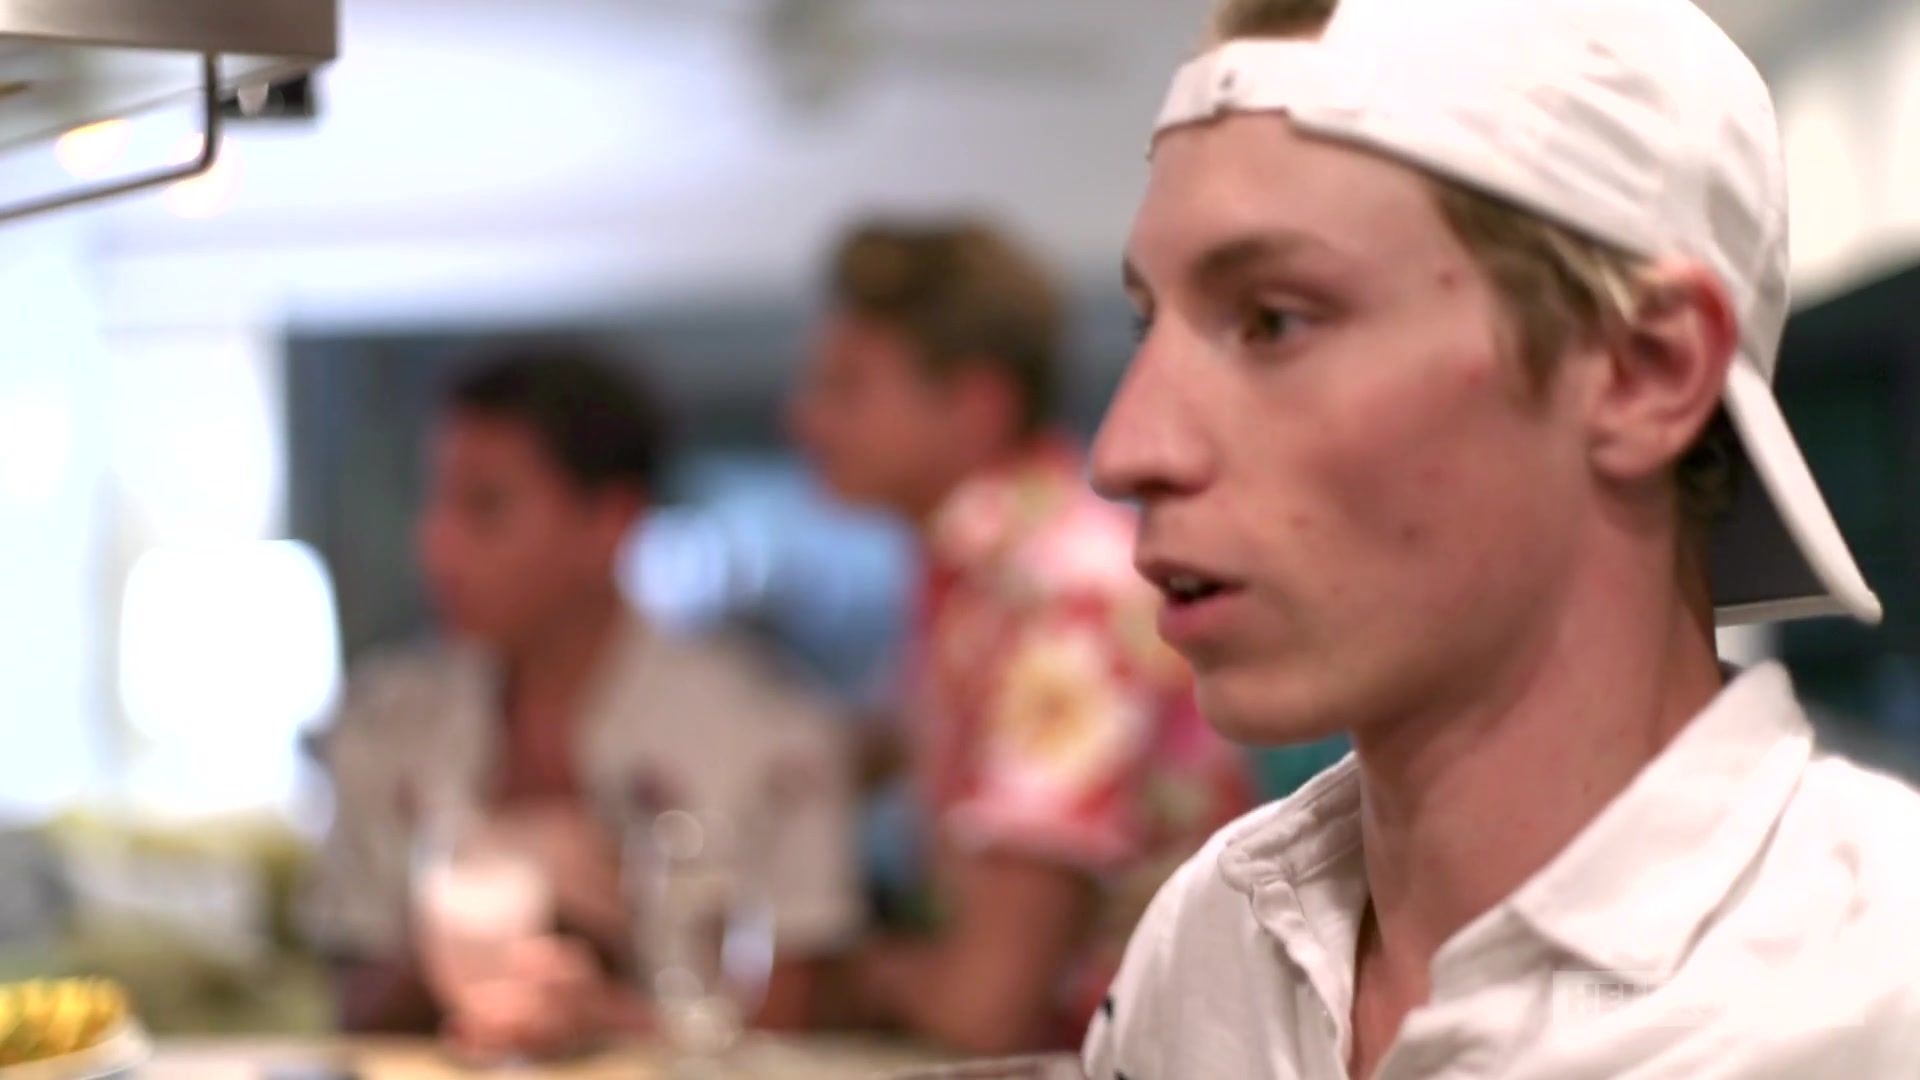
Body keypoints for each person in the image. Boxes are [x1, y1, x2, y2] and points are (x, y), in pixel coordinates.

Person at [1084, 0, 1920, 1077]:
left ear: (1646, 369)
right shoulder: (1215, 948)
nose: (1127, 451)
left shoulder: (1879, 994)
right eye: (1150, 325)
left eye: (1275, 319)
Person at [306, 348, 860, 1060]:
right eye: (435, 501)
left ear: (610, 522)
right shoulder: (387, 724)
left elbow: (787, 1024)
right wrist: (465, 912)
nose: (436, 543)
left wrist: (606, 1023)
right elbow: (348, 1011)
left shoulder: (769, 737)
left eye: (485, 507)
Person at [789, 220, 1252, 1054]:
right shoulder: (985, 586)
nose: (807, 418)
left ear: (975, 406)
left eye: (847, 387)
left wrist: (840, 974)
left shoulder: (1061, 598)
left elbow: (984, 1008)